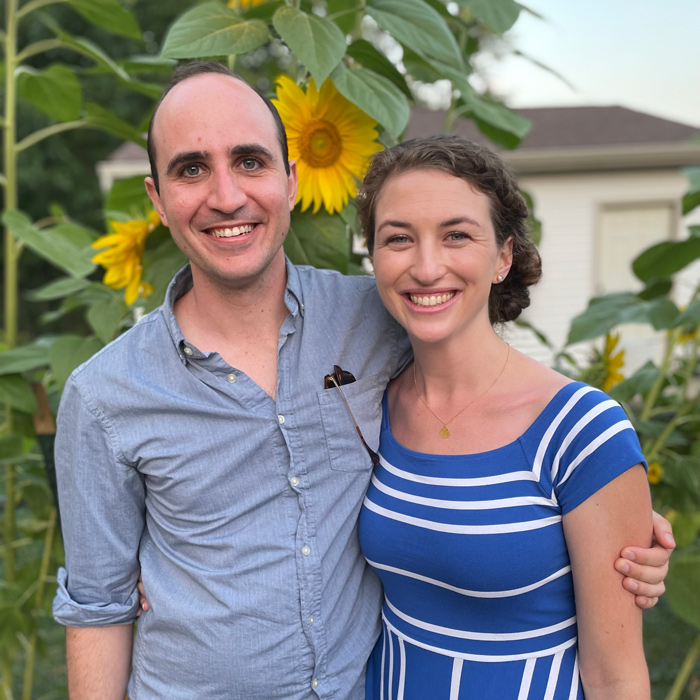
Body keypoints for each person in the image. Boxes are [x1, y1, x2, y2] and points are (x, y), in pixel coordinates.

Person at [52, 61, 671, 700]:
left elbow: (498, 387)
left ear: (291, 182)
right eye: (190, 169)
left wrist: (611, 513)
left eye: (250, 162)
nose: (227, 196)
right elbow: (97, 609)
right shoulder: (105, 397)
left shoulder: (376, 319)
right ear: (156, 199)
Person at [356, 135, 654, 698]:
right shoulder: (370, 406)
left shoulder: (583, 431)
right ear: (373, 258)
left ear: (503, 257)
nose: (426, 266)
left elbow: (617, 676)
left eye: (457, 235)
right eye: (398, 238)